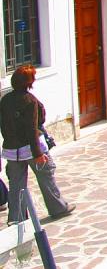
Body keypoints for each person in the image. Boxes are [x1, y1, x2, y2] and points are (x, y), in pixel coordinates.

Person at [1, 64, 74, 225]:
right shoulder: (30, 101)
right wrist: (38, 154)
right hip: (32, 149)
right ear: (28, 82)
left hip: (12, 151)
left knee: (16, 185)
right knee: (46, 176)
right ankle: (58, 208)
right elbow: (31, 129)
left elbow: (4, 126)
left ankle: (17, 218)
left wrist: (10, 143)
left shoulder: (5, 100)